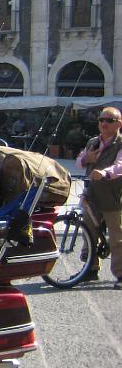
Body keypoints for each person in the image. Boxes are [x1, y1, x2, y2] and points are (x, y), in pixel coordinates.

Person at [76, 106, 122, 289]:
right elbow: (79, 162)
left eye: (109, 120)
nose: (103, 123)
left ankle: (120, 274)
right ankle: (90, 269)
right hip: (92, 195)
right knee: (88, 232)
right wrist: (87, 158)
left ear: (118, 124)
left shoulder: (120, 143)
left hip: (113, 195)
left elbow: (120, 165)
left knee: (117, 238)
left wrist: (104, 173)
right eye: (101, 120)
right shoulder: (93, 142)